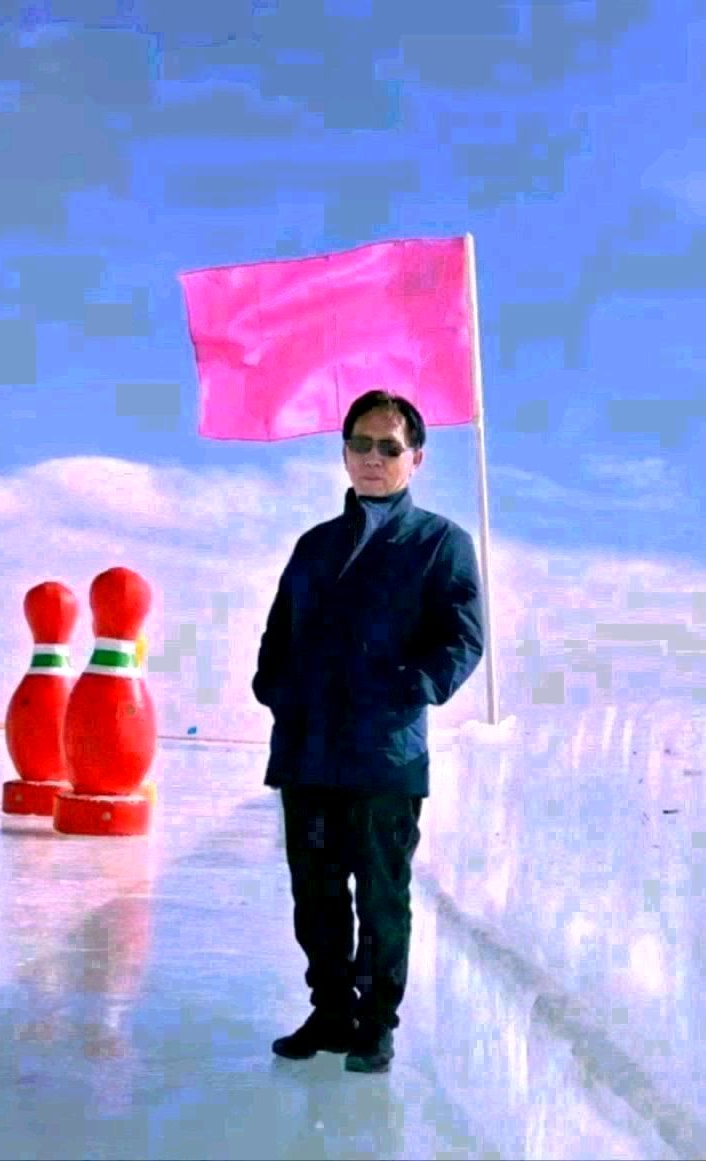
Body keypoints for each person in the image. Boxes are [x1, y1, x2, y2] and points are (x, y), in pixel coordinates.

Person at [252, 389, 485, 1074]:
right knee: (316, 894)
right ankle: (330, 1011)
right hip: (308, 752)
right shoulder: (316, 545)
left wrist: (410, 688)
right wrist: (277, 691)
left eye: (389, 446)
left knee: (382, 897)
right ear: (344, 452)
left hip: (385, 755)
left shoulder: (440, 543)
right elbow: (277, 635)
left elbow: (463, 638)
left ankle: (376, 1022)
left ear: (416, 457)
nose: (373, 458)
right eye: (360, 444)